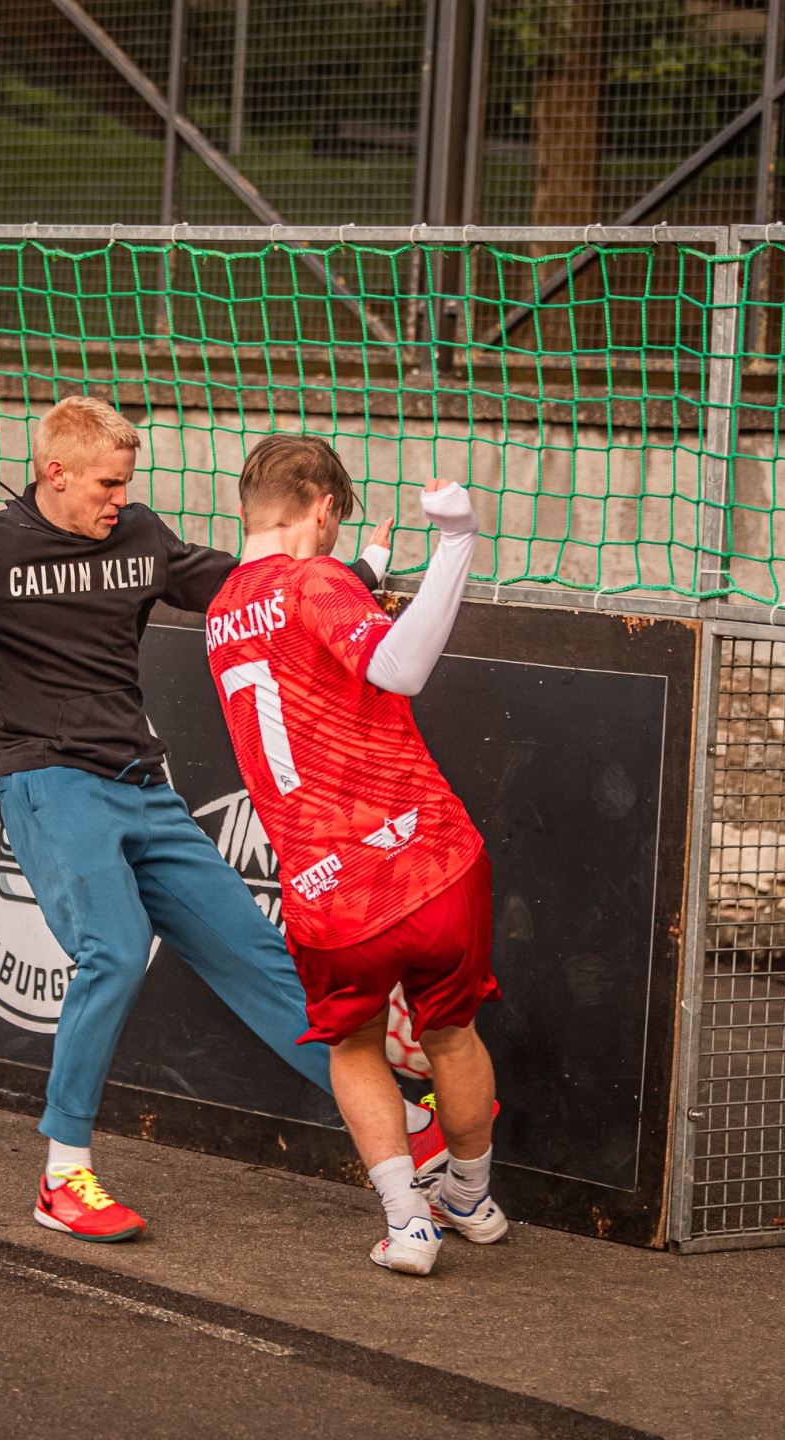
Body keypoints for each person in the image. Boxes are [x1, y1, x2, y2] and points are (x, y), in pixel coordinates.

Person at [0, 396, 446, 1242]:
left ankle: (411, 1129)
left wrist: (355, 580)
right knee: (114, 951)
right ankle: (63, 1176)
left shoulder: (139, 535)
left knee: (262, 957)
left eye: (126, 482)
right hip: (51, 786)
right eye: (107, 485)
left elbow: (238, 588)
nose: (121, 499)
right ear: (56, 473)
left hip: (144, 788)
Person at [202, 435, 502, 1275]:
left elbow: (298, 636)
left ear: (246, 507)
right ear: (324, 507)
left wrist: (365, 570)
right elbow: (397, 666)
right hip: (429, 861)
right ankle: (471, 1197)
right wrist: (457, 541)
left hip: (327, 889)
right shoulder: (316, 579)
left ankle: (409, 1224)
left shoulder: (223, 609)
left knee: (355, 1046)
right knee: (452, 1035)